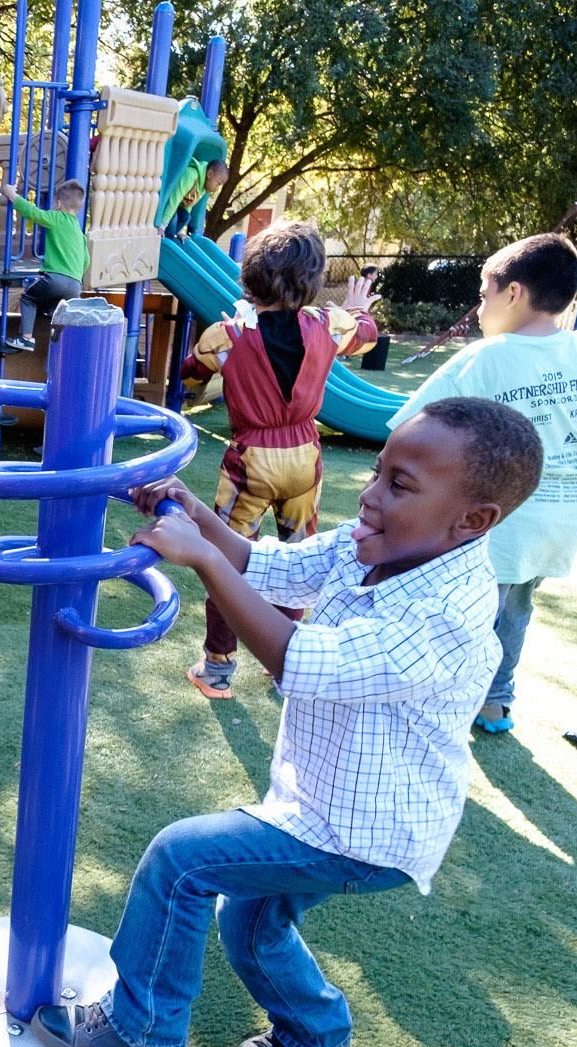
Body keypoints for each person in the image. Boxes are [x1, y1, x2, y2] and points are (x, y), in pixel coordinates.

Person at [31, 398, 545, 1047]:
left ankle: (141, 1027)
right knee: (250, 922)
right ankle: (316, 1027)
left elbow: (295, 659)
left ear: (472, 520)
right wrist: (199, 515)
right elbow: (264, 565)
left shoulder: (443, 616)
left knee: (181, 860)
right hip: (316, 804)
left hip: (366, 831)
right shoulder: (372, 544)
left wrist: (203, 559)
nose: (367, 495)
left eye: (398, 485)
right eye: (377, 470)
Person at [387, 233, 577, 733]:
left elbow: (406, 426)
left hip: (509, 513)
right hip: (567, 512)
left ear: (513, 294)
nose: (480, 308)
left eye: (484, 295)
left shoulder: (484, 357)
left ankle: (449, 701)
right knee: (517, 604)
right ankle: (496, 702)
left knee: (474, 608)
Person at [180, 221, 380, 699]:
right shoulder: (328, 324)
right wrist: (357, 307)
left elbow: (190, 374)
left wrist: (205, 384)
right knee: (300, 557)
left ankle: (217, 667)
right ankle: (284, 663)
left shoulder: (226, 334)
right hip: (304, 458)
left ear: (249, 278)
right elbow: (367, 334)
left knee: (227, 558)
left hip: (250, 460)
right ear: (311, 281)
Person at [0, 178, 89, 352]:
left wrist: (12, 194)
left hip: (55, 278)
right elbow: (87, 261)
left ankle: (26, 338)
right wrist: (73, 273)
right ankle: (61, 344)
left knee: (28, 298)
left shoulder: (57, 217)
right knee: (57, 310)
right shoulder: (79, 232)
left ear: (59, 203)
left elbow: (32, 213)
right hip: (75, 285)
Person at [162, 158, 229, 240]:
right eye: (218, 183)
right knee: (174, 218)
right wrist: (162, 225)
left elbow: (187, 205)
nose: (217, 188)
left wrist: (180, 231)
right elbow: (174, 198)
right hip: (166, 202)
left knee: (186, 216)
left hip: (175, 207)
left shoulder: (203, 188)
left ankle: (172, 236)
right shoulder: (191, 175)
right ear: (210, 174)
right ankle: (166, 239)